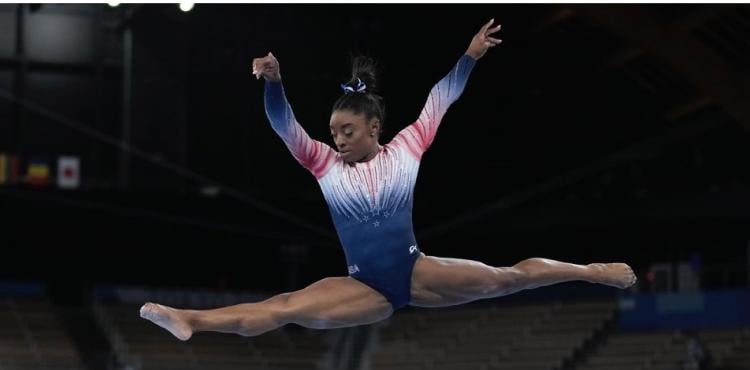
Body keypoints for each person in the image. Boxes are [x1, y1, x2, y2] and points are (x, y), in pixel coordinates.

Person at [140, 19, 637, 341]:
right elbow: (282, 123)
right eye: (333, 132)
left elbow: (443, 96)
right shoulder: (322, 164)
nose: (336, 140)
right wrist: (274, 82)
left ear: (374, 128)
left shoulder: (408, 147)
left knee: (507, 279)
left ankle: (591, 271)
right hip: (364, 287)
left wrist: (469, 58)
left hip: (416, 271)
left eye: (347, 131)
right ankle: (191, 320)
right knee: (285, 307)